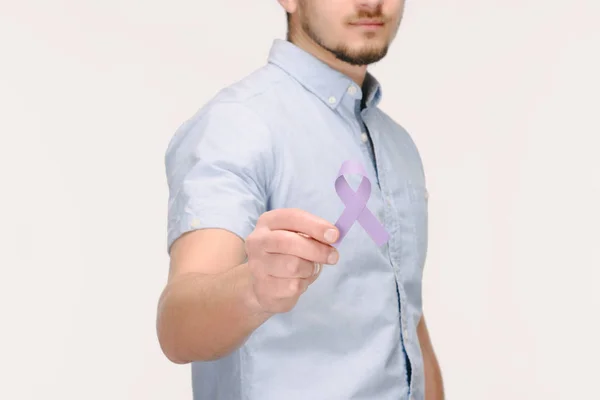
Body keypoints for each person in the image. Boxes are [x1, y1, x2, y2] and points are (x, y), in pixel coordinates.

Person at [157, 0, 444, 399]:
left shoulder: (397, 143)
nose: (371, 2)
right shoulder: (238, 125)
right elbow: (178, 326)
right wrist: (253, 289)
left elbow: (405, 316)